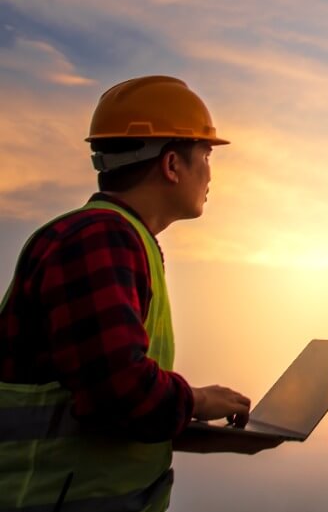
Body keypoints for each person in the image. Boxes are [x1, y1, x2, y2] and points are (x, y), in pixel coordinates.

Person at [0, 75, 261, 512]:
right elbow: (117, 389)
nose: (211, 171)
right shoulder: (99, 239)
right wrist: (194, 401)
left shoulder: (118, 237)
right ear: (172, 164)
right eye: (207, 154)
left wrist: (195, 423)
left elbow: (96, 398)